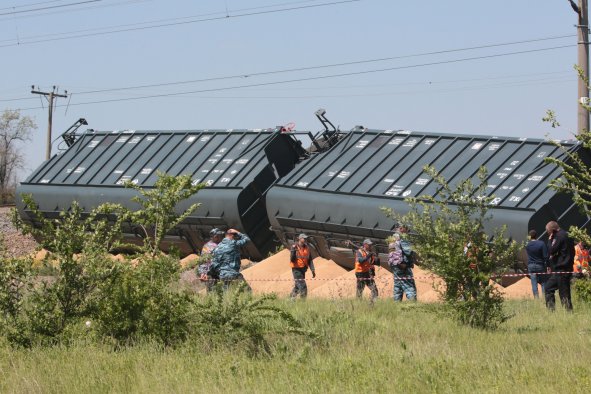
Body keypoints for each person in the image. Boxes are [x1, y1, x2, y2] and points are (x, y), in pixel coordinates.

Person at [544, 221, 574, 311]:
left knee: (564, 293)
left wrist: (550, 240)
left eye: (548, 232)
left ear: (552, 230)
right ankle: (551, 311)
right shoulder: (568, 235)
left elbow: (551, 250)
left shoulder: (559, 236)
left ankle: (568, 313)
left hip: (562, 269)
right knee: (548, 287)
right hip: (563, 268)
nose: (548, 234)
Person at [388, 232, 417, 301]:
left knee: (398, 286)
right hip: (403, 266)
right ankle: (412, 306)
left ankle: (396, 305)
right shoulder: (402, 239)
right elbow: (408, 252)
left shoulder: (392, 241)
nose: (408, 230)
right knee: (410, 287)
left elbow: (392, 254)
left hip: (395, 266)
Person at [289, 233, 316, 300]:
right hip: (296, 270)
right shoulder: (294, 247)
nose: (305, 239)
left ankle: (291, 299)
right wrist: (293, 251)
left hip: (303, 270)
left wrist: (312, 270)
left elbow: (310, 260)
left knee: (297, 286)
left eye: (306, 238)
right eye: (304, 238)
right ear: (300, 239)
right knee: (303, 286)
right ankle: (303, 302)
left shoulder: (307, 248)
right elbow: (292, 259)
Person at [197, 228, 224, 292]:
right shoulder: (209, 247)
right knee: (212, 292)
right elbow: (204, 261)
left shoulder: (220, 245)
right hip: (212, 274)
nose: (222, 237)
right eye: (220, 236)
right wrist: (203, 273)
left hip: (221, 273)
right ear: (215, 237)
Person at [525, 229, 548, 299]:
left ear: (529, 236)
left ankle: (536, 298)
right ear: (536, 235)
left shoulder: (527, 245)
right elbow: (545, 256)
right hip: (540, 265)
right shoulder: (541, 243)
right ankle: (545, 297)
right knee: (543, 282)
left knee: (534, 283)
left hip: (531, 266)